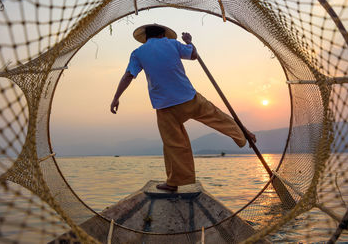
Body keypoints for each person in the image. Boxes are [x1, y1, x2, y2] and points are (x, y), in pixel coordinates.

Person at [110, 24, 256, 191]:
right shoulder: (172, 44)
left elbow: (129, 75)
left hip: (165, 106)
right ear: (163, 35)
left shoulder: (138, 53)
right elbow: (193, 55)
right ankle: (243, 136)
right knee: (218, 117)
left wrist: (116, 98)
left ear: (147, 37)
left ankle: (174, 182)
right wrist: (189, 42)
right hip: (189, 98)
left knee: (173, 144)